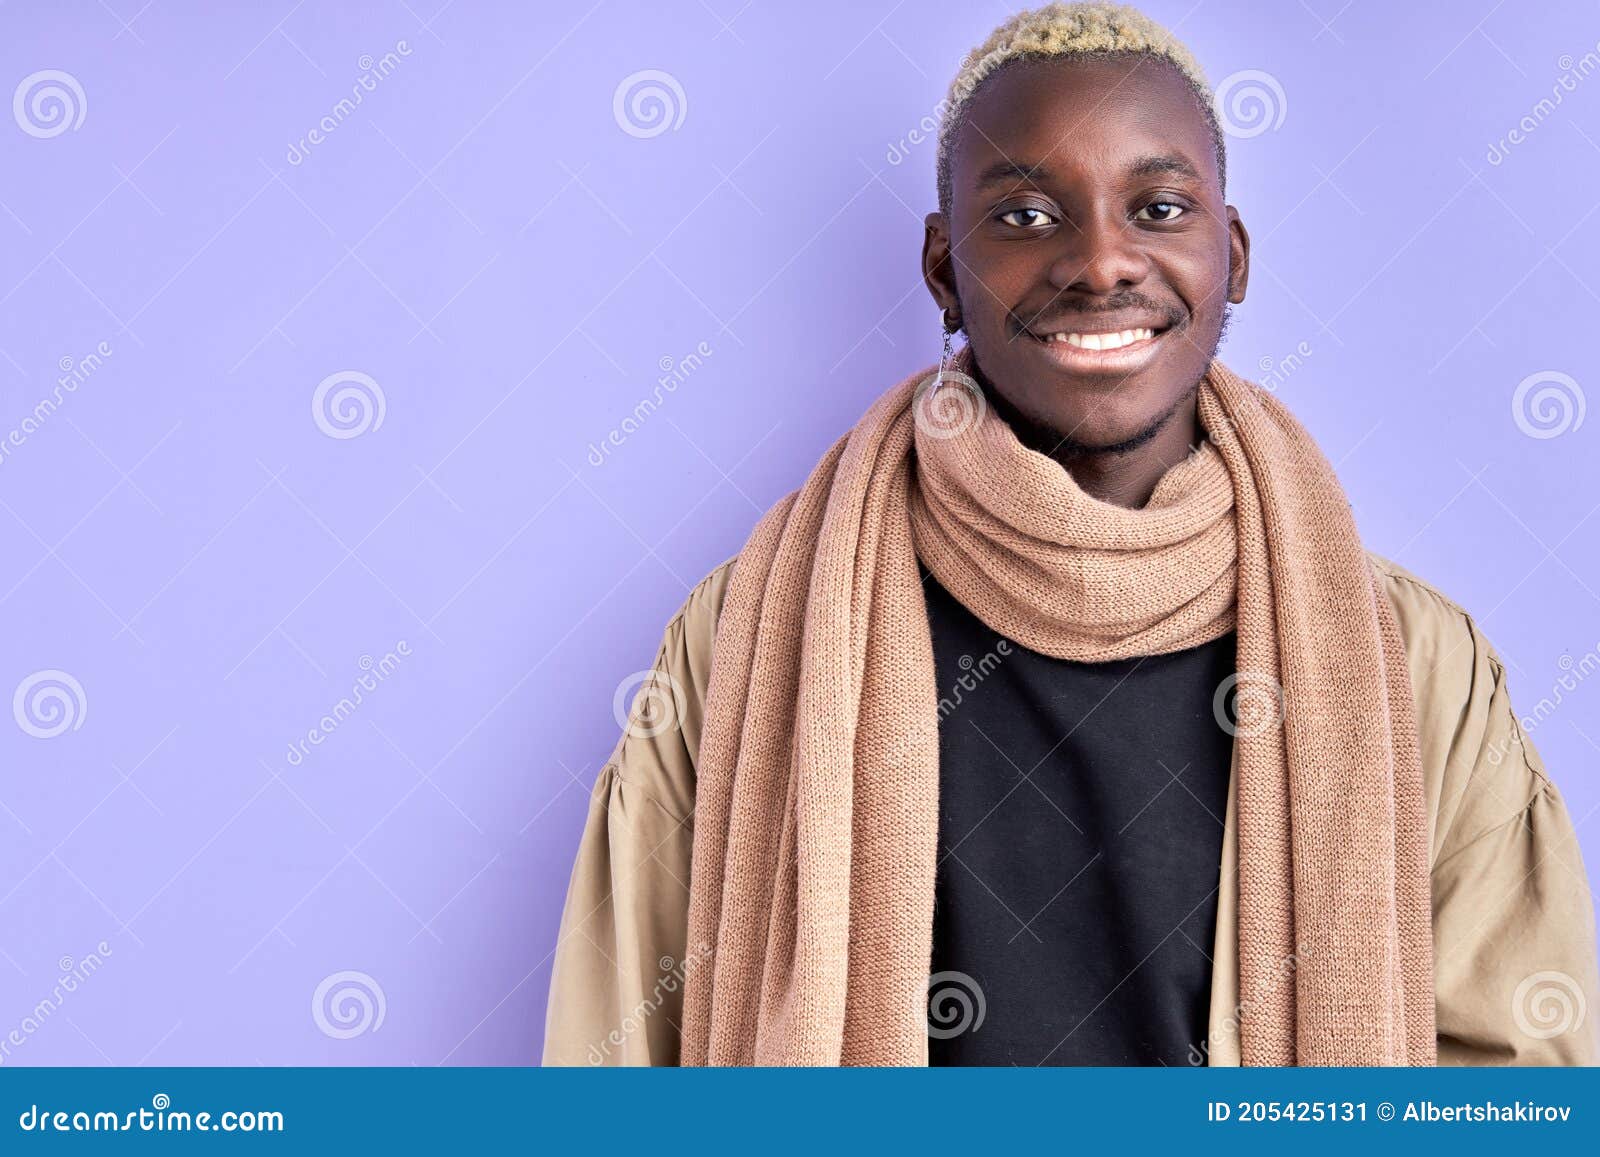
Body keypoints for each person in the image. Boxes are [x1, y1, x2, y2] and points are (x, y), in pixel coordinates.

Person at [543, 1, 1599, 1066]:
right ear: (944, 269)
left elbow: (1520, 1078)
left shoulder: (1407, 661)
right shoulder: (755, 636)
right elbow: (614, 1060)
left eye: (1157, 206)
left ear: (1229, 257)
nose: (1101, 263)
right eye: (1026, 215)